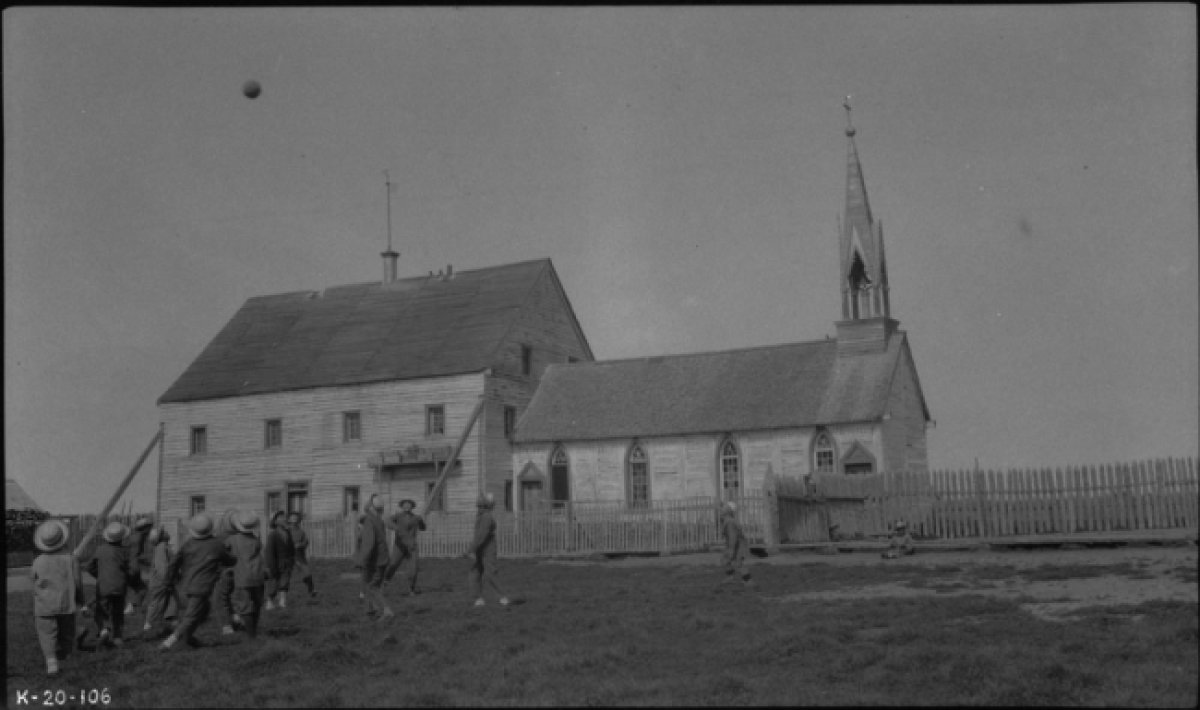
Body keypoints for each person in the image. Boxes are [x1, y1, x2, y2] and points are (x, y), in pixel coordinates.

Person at [160, 513, 234, 650]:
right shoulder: (217, 545)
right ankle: (168, 643)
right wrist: (233, 556)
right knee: (191, 617)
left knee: (203, 610)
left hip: (185, 584)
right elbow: (230, 560)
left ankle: (188, 639)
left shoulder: (187, 544)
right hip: (201, 587)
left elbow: (173, 564)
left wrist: (168, 581)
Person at [31, 520, 86, 677]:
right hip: (66, 602)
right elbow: (77, 582)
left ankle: (51, 662)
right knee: (67, 632)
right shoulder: (71, 559)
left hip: (44, 605)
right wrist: (81, 601)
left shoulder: (37, 561)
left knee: (46, 633)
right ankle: (66, 654)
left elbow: (34, 581)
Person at [85, 521, 132, 647]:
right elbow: (131, 569)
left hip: (103, 586)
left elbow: (89, 566)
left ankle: (104, 629)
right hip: (120, 586)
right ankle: (118, 637)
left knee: (101, 609)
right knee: (118, 611)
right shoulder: (125, 551)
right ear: (122, 538)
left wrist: (99, 575)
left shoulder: (100, 550)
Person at [223, 511, 266, 638]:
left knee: (244, 604)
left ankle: (251, 635)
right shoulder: (256, 540)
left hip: (241, 576)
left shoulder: (231, 540)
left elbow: (223, 553)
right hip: (258, 575)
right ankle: (254, 629)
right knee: (257, 603)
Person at [354, 494, 394, 621]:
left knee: (372, 587)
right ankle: (370, 612)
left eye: (367, 504)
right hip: (381, 558)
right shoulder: (378, 520)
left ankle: (386, 611)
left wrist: (363, 559)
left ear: (371, 507)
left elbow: (369, 543)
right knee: (368, 585)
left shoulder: (369, 521)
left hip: (375, 559)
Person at [141, 524, 184, 640]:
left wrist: (176, 575)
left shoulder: (165, 547)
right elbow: (162, 567)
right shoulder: (161, 548)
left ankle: (174, 623)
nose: (167, 533)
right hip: (161, 582)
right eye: (163, 532)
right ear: (161, 537)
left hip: (166, 581)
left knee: (172, 602)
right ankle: (148, 625)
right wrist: (167, 579)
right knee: (157, 603)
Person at [468, 493, 509, 607]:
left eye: (480, 505)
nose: (478, 507)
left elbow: (482, 535)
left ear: (485, 505)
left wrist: (471, 549)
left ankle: (502, 596)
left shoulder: (486, 517)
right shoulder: (481, 516)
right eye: (478, 505)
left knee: (490, 571)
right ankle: (478, 598)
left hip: (488, 546)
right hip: (480, 546)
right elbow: (478, 535)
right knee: (475, 571)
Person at [385, 499, 426, 595]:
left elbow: (423, 528)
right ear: (402, 506)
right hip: (399, 545)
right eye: (405, 504)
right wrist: (396, 527)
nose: (407, 506)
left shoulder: (416, 517)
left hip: (411, 546)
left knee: (413, 568)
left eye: (409, 504)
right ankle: (385, 580)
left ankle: (412, 588)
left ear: (412, 507)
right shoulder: (398, 516)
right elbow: (388, 521)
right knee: (393, 564)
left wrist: (421, 521)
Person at [263, 511, 295, 610]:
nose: (284, 519)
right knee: (273, 583)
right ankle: (269, 602)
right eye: (281, 517)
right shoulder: (272, 535)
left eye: (284, 517)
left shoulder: (288, 533)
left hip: (287, 562)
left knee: (285, 582)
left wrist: (292, 560)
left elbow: (291, 548)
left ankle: (282, 601)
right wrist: (271, 566)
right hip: (275, 563)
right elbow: (269, 552)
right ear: (275, 521)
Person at [122, 516, 154, 616]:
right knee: (141, 588)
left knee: (137, 588)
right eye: (149, 527)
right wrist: (149, 561)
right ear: (144, 528)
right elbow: (136, 555)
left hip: (129, 566)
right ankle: (130, 607)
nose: (150, 529)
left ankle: (130, 607)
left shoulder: (135, 537)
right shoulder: (139, 538)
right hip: (133, 567)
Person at [720, 501, 752, 586]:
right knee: (725, 560)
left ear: (728, 511)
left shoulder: (730, 522)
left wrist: (731, 549)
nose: (722, 509)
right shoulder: (728, 520)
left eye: (724, 508)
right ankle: (730, 577)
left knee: (738, 563)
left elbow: (733, 537)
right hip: (734, 544)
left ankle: (748, 581)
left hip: (738, 545)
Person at [286, 512, 318, 599]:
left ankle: (311, 590)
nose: (294, 519)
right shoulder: (286, 531)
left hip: (299, 555)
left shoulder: (301, 531)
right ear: (289, 520)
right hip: (288, 555)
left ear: (299, 520)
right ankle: (280, 593)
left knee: (307, 571)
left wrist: (301, 544)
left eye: (296, 518)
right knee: (285, 574)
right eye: (292, 518)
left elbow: (306, 541)